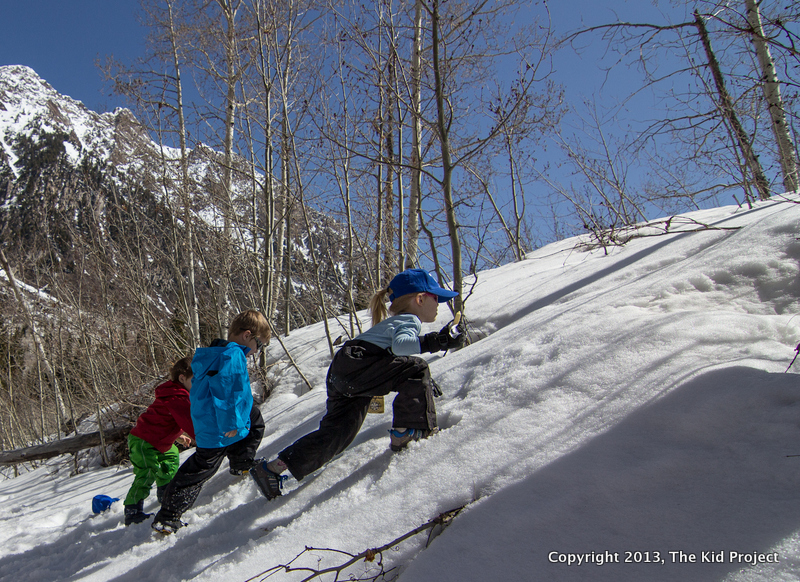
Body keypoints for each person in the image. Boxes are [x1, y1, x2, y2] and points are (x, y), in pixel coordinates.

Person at [250, 268, 465, 500]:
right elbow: (404, 347)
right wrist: (439, 340)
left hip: (344, 368)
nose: (439, 304)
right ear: (420, 299)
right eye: (436, 298)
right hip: (361, 365)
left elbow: (395, 362)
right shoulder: (409, 319)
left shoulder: (390, 323)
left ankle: (272, 469)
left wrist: (420, 382)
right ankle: (406, 433)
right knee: (418, 367)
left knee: (336, 434)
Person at [151, 310, 271, 534]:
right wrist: (232, 423)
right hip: (218, 424)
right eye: (260, 344)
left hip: (214, 418)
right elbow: (228, 391)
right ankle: (167, 517)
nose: (258, 351)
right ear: (247, 336)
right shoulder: (233, 356)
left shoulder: (218, 352)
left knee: (255, 421)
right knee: (202, 467)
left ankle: (241, 463)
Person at [123, 356, 195, 526]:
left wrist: (177, 436)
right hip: (143, 441)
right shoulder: (177, 396)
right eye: (196, 379)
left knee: (171, 457)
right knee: (147, 472)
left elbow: (163, 419)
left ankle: (165, 492)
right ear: (182, 378)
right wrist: (200, 436)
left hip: (159, 440)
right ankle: (132, 510)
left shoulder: (179, 394)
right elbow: (188, 420)